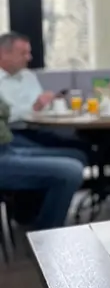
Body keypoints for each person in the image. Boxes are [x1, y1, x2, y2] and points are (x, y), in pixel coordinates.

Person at [0, 32, 89, 162]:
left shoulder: (28, 76)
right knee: (76, 155)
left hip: (38, 130)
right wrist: (34, 107)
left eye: (29, 53)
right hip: (12, 135)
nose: (29, 58)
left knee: (85, 146)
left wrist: (51, 103)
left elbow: (42, 108)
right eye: (23, 53)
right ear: (4, 53)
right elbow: (5, 116)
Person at [0, 99, 85, 230]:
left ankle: (29, 213)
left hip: (7, 148)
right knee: (71, 171)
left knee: (78, 156)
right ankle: (45, 235)